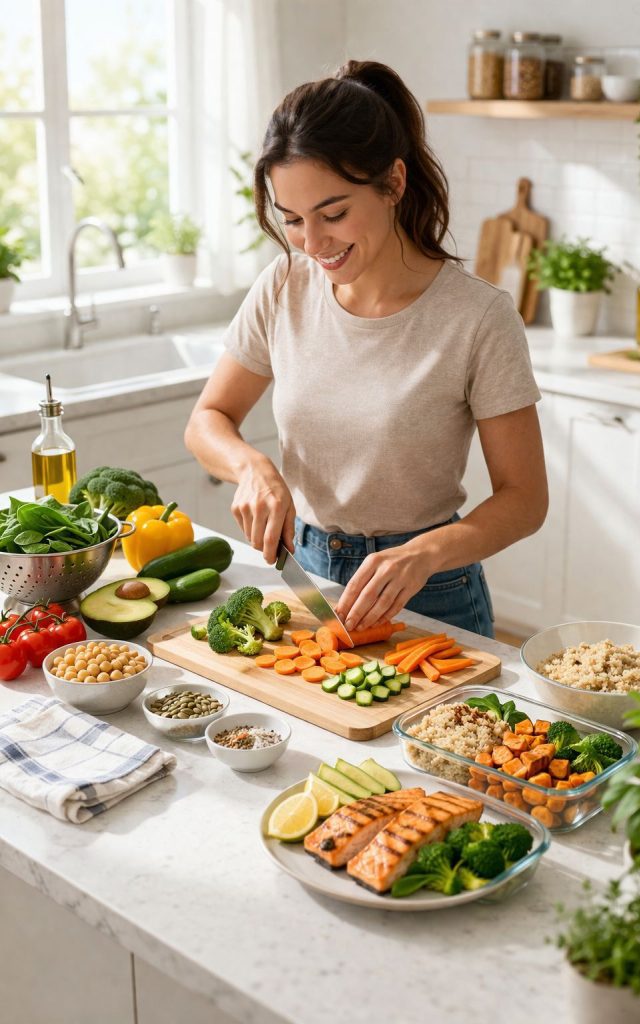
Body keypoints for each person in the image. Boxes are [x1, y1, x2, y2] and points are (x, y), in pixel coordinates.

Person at [185, 59, 548, 640]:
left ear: (394, 184)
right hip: (305, 576)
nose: (313, 243)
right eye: (294, 220)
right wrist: (250, 468)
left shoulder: (477, 316)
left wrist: (425, 554)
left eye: (334, 214)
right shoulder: (283, 288)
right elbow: (209, 420)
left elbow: (525, 499)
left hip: (432, 589)